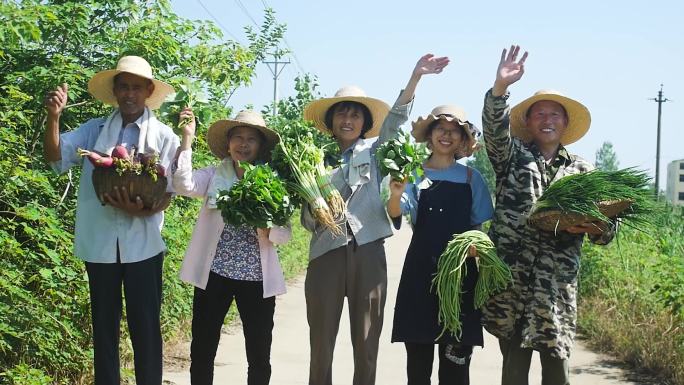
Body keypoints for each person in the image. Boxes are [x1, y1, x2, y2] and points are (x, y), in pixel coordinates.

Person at [300, 53, 449, 385]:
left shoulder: (375, 152)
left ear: (365, 123)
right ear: (332, 119)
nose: (349, 119)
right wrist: (319, 210)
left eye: (356, 114)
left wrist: (415, 78)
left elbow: (395, 121)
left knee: (366, 342)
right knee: (321, 343)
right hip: (325, 252)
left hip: (368, 250)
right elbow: (305, 216)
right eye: (342, 112)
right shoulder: (312, 157)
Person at [480, 45, 615, 385]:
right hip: (512, 285)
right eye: (539, 114)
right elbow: (494, 132)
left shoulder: (584, 172)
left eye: (555, 114)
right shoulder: (511, 157)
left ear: (565, 122)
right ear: (527, 121)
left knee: (557, 372)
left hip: (555, 288)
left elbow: (606, 231)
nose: (547, 120)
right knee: (513, 370)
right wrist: (500, 88)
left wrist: (597, 226)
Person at [43, 56, 179, 385]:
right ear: (115, 91)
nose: (130, 94)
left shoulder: (164, 136)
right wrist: (53, 118)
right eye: (124, 87)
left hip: (144, 246)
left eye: (136, 87)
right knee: (104, 325)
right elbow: (56, 159)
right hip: (100, 243)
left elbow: (171, 192)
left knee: (145, 326)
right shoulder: (94, 131)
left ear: (148, 91)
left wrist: (144, 211)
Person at [172, 109, 290, 385]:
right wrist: (187, 139)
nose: (244, 144)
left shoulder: (272, 183)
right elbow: (182, 185)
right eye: (238, 137)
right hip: (214, 274)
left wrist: (265, 224)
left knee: (259, 353)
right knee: (202, 348)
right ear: (228, 143)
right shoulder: (214, 175)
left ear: (260, 147)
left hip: (256, 279)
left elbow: (284, 235)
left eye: (251, 139)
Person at [386, 105, 494, 385]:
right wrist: (396, 195)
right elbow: (397, 213)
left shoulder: (472, 179)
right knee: (418, 367)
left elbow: (479, 227)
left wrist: (476, 246)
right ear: (430, 136)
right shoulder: (415, 174)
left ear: (462, 140)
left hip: (461, 280)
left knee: (455, 370)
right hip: (421, 275)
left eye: (453, 132)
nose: (446, 135)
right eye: (440, 129)